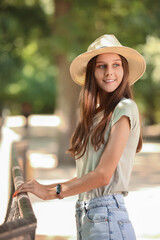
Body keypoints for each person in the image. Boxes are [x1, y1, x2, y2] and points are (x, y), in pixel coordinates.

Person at [13, 34, 146, 240]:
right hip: (88, 216)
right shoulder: (96, 115)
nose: (109, 72)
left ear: (124, 69)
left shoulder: (125, 108)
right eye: (102, 66)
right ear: (92, 72)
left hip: (108, 217)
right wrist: (42, 187)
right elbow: (89, 175)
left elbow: (103, 176)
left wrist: (52, 192)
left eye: (116, 65)